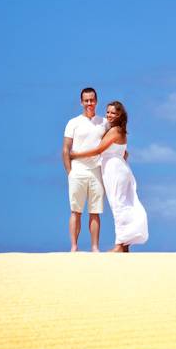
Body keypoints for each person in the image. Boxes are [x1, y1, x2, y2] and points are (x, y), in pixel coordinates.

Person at [70, 101, 148, 252]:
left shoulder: (115, 131)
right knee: (122, 204)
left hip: (114, 170)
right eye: (108, 112)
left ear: (120, 115)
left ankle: (119, 245)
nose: (109, 115)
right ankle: (124, 245)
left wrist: (76, 155)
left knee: (118, 205)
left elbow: (98, 150)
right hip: (116, 168)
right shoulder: (119, 131)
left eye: (113, 113)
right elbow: (125, 153)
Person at [62, 87, 108, 252]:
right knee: (76, 211)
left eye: (92, 100)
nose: (89, 103)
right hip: (78, 171)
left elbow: (112, 144)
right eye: (86, 100)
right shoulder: (73, 123)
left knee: (95, 211)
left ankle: (95, 247)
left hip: (96, 171)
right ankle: (74, 246)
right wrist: (70, 172)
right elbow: (66, 149)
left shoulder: (104, 123)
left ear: (96, 101)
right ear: (81, 102)